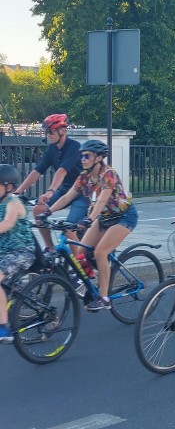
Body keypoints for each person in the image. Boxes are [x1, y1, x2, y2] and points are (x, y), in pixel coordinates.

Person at [44, 140, 138, 311]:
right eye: (81, 156)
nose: (83, 159)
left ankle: (104, 298)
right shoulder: (84, 176)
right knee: (80, 253)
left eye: (87, 156)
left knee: (100, 252)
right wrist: (48, 211)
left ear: (99, 157)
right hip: (104, 217)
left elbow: (102, 200)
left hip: (124, 217)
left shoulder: (108, 174)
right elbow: (68, 196)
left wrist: (89, 219)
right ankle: (91, 285)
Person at [14, 114, 89, 251]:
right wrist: (18, 191)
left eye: (51, 131)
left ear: (62, 131)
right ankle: (50, 248)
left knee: (68, 227)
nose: (48, 135)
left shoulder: (74, 147)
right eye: (46, 132)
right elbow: (38, 171)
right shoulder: (52, 149)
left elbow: (62, 170)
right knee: (38, 210)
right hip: (65, 190)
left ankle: (82, 265)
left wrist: (50, 191)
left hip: (82, 192)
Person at [0, 165, 36, 342]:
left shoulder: (13, 203)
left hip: (21, 252)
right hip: (4, 252)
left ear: (9, 187)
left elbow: (7, 224)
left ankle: (4, 328)